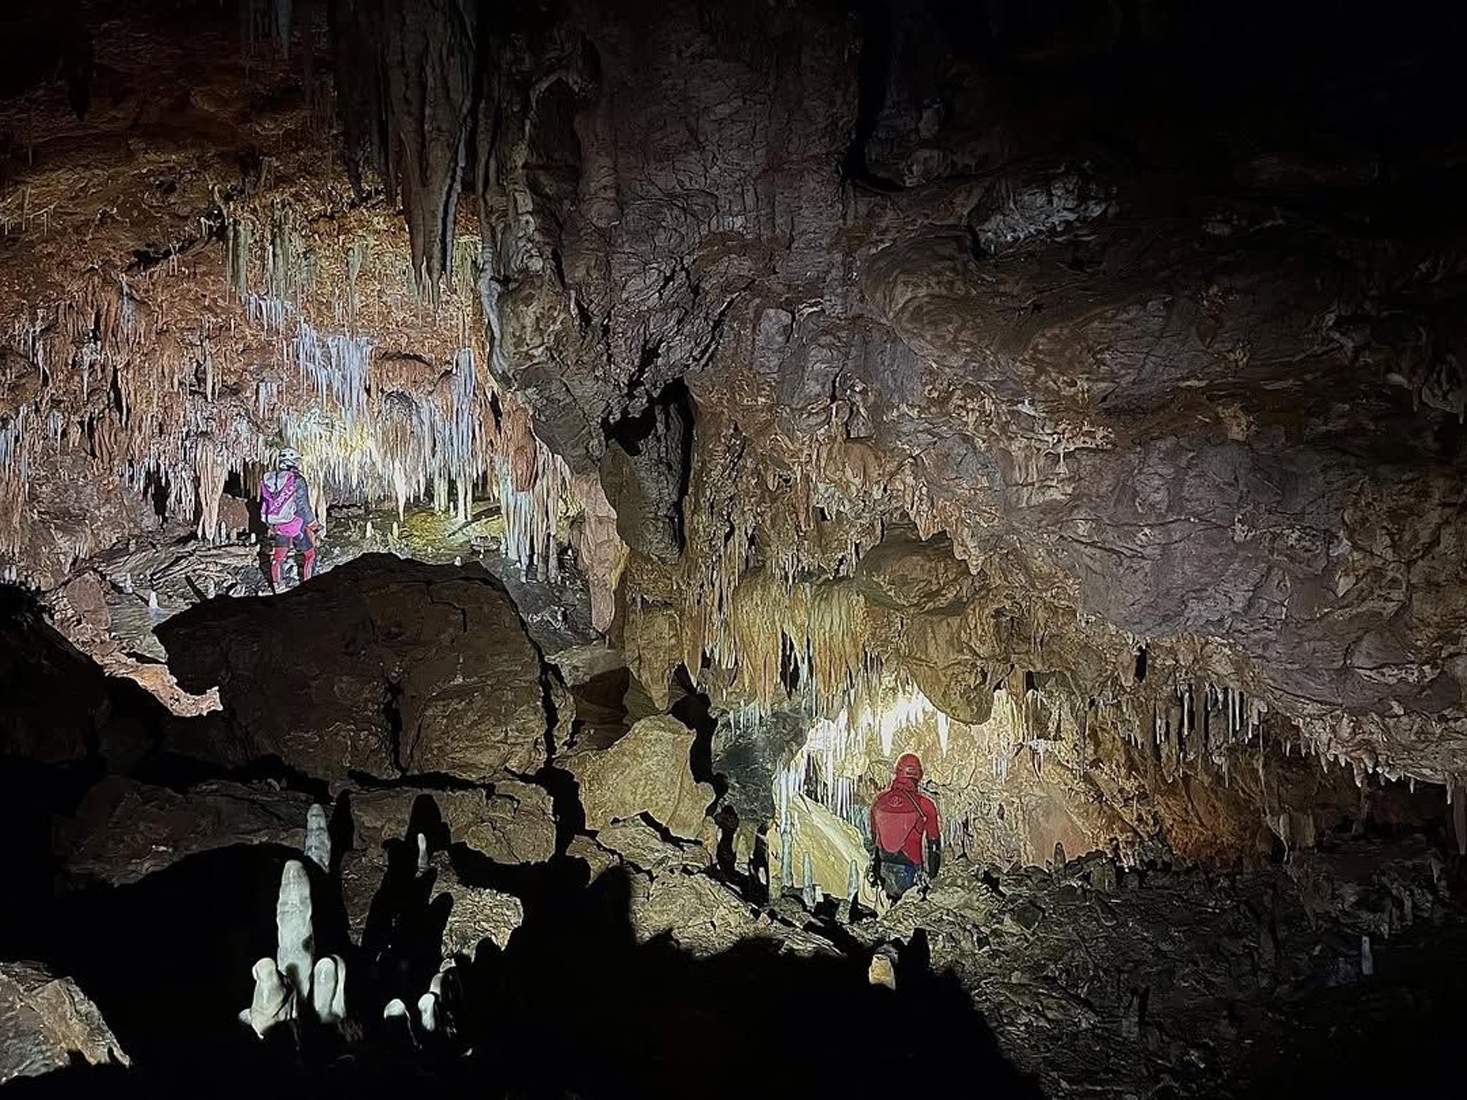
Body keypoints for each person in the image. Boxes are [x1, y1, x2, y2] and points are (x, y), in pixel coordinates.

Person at [867, 753, 941, 901]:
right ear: (918, 775)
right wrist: (932, 878)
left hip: (883, 867)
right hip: (909, 868)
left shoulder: (879, 800)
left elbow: (875, 838)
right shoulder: (924, 805)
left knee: (887, 911)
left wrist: (875, 869)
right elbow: (934, 844)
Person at [259, 448, 322, 589]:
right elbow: (303, 506)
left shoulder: (272, 479)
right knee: (310, 554)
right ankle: (308, 584)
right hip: (295, 524)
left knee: (278, 556)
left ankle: (277, 584)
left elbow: (266, 502)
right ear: (293, 462)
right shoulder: (297, 480)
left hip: (277, 523)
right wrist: (313, 524)